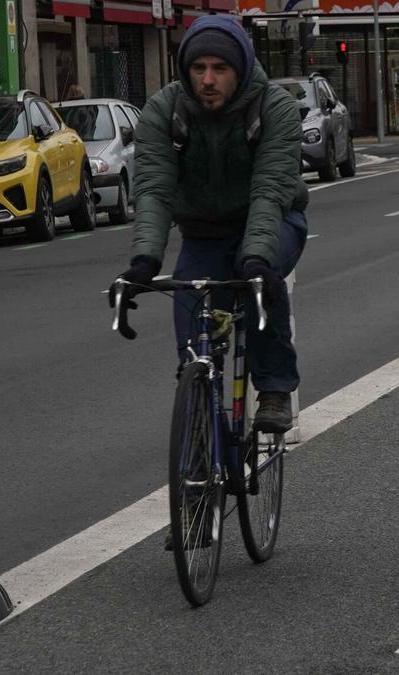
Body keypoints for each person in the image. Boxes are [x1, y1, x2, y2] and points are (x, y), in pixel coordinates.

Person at [112, 14, 309, 433]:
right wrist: (144, 260)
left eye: (220, 69)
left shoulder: (274, 107)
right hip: (203, 231)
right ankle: (202, 440)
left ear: (239, 69)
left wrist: (256, 257)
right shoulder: (164, 109)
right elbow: (154, 189)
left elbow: (270, 191)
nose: (207, 79)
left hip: (273, 219)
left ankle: (273, 388)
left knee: (257, 275)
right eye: (198, 69)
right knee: (193, 342)